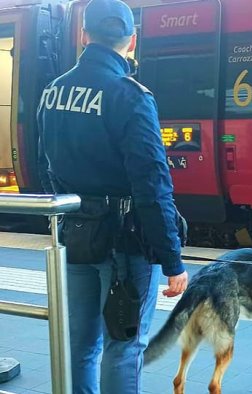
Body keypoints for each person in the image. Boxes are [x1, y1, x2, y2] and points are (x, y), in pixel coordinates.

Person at [35, 0, 188, 392]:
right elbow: (153, 184)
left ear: (84, 35)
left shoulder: (53, 91)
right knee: (124, 346)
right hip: (125, 243)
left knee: (81, 343)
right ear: (131, 40)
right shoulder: (130, 94)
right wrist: (171, 259)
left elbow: (45, 162)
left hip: (76, 233)